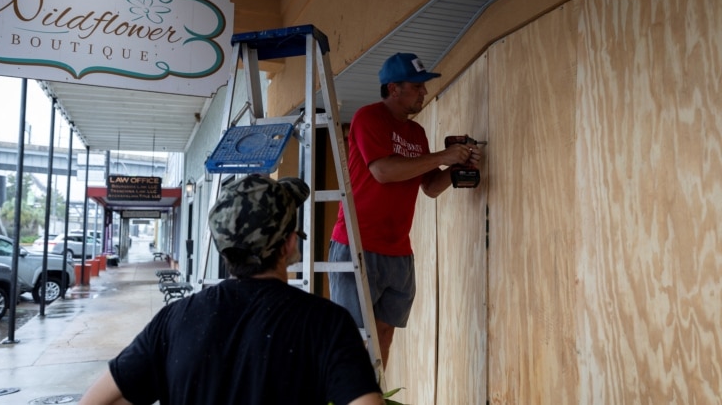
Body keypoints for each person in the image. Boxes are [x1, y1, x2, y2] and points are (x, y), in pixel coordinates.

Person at [80, 174, 384, 405]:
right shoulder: (327, 324)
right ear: (290, 244)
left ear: (223, 250)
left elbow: (95, 400)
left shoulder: (174, 320)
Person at [329, 52, 482, 367]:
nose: (424, 92)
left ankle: (375, 396)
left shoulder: (417, 133)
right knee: (355, 338)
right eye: (417, 86)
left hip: (398, 250)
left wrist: (456, 168)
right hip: (357, 244)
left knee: (384, 335)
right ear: (393, 88)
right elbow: (383, 172)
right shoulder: (368, 117)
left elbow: (429, 187)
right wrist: (444, 155)